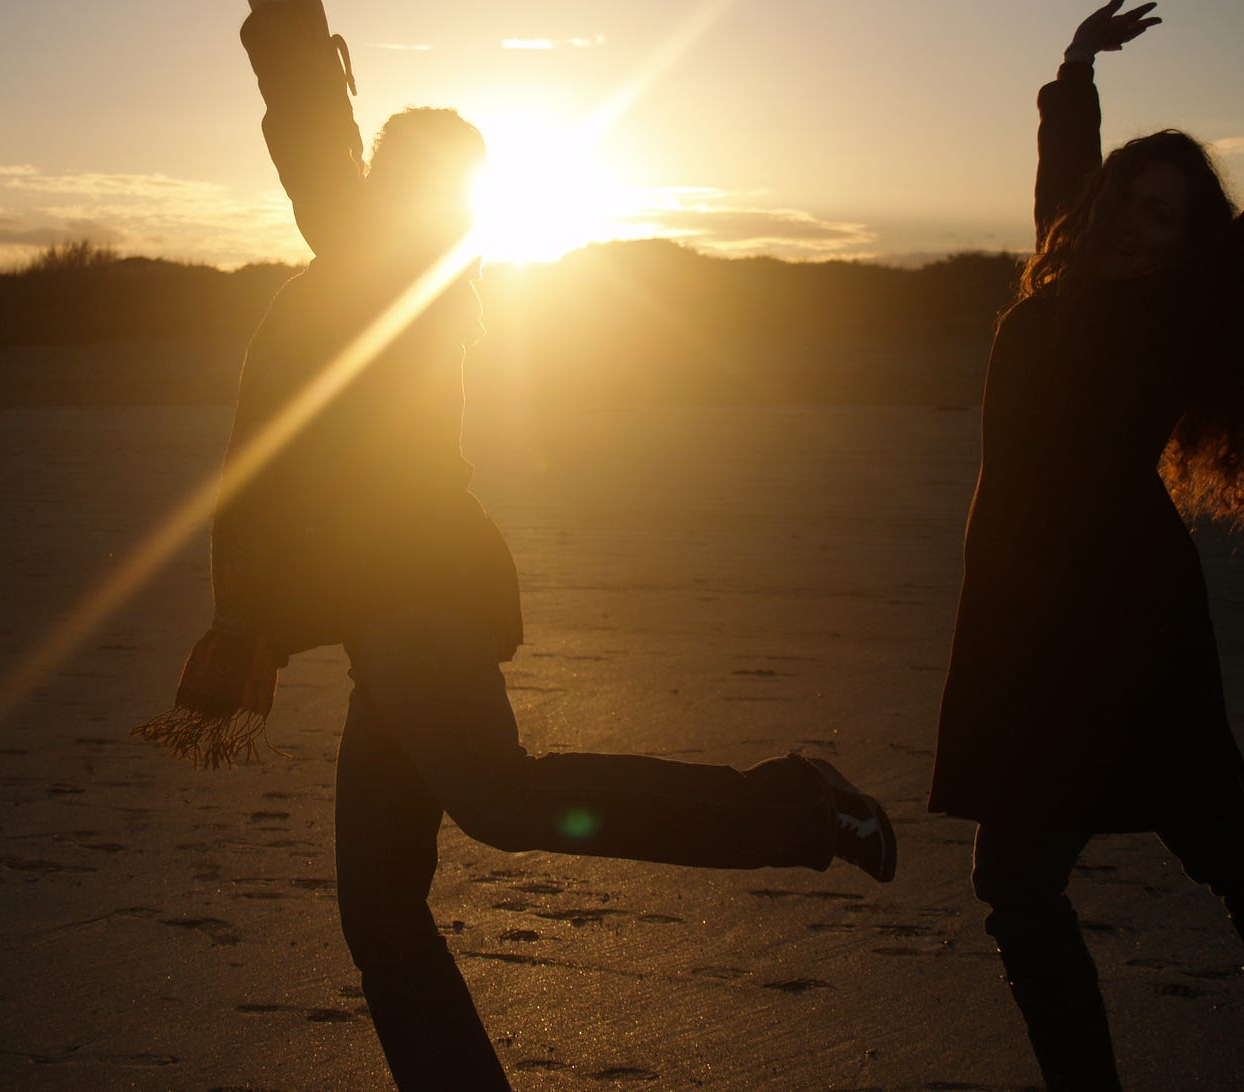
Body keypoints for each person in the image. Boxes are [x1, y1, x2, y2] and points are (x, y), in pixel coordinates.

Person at [137, 1, 896, 1087]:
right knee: (382, 911)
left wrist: (285, 20)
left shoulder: (397, 270)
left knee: (501, 801)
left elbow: (312, 132)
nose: (383, 189)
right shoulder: (365, 279)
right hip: (381, 614)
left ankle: (799, 805)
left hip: (420, 598)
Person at [927, 2, 1244, 1087]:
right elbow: (1067, 164)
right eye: (1129, 199)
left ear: (1189, 243)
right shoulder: (1061, 275)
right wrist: (1075, 65)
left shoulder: (1185, 312)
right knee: (1079, 872)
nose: (1134, 223)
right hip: (1032, 621)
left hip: (1121, 621)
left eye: (1165, 216)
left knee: (1197, 846)